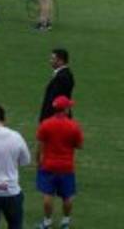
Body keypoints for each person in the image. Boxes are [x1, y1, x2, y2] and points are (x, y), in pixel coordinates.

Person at [36, 95, 82, 229]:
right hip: (66, 166)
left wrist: (38, 160)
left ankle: (47, 222)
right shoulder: (73, 125)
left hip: (48, 165)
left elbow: (40, 145)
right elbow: (79, 145)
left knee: (47, 194)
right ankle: (65, 222)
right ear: (66, 109)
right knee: (67, 196)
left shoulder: (45, 124)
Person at [39, 49, 74, 122]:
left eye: (53, 59)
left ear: (61, 61)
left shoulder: (62, 77)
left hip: (56, 119)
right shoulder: (63, 75)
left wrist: (46, 119)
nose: (50, 61)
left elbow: (54, 100)